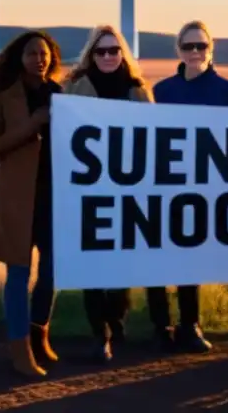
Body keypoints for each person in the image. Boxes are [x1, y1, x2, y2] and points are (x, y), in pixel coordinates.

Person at [146, 20, 228, 354]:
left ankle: (190, 325)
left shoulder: (226, 91)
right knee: (156, 257)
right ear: (178, 50)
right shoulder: (161, 91)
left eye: (201, 46)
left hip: (203, 187)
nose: (195, 52)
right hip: (163, 186)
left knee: (190, 258)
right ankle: (161, 328)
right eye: (188, 47)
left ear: (211, 48)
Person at [0, 30, 64, 378]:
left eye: (44, 54)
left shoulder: (59, 93)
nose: (39, 59)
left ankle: (40, 331)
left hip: (52, 194)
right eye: (32, 54)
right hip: (15, 196)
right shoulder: (3, 95)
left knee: (53, 268)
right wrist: (32, 125)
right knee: (18, 273)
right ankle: (20, 348)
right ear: (19, 58)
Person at [62, 24, 154, 362]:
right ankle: (99, 334)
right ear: (91, 54)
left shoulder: (137, 90)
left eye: (114, 51)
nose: (108, 57)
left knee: (121, 265)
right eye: (101, 51)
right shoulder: (72, 87)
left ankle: (116, 321)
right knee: (92, 265)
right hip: (86, 190)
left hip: (127, 189)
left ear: (123, 53)